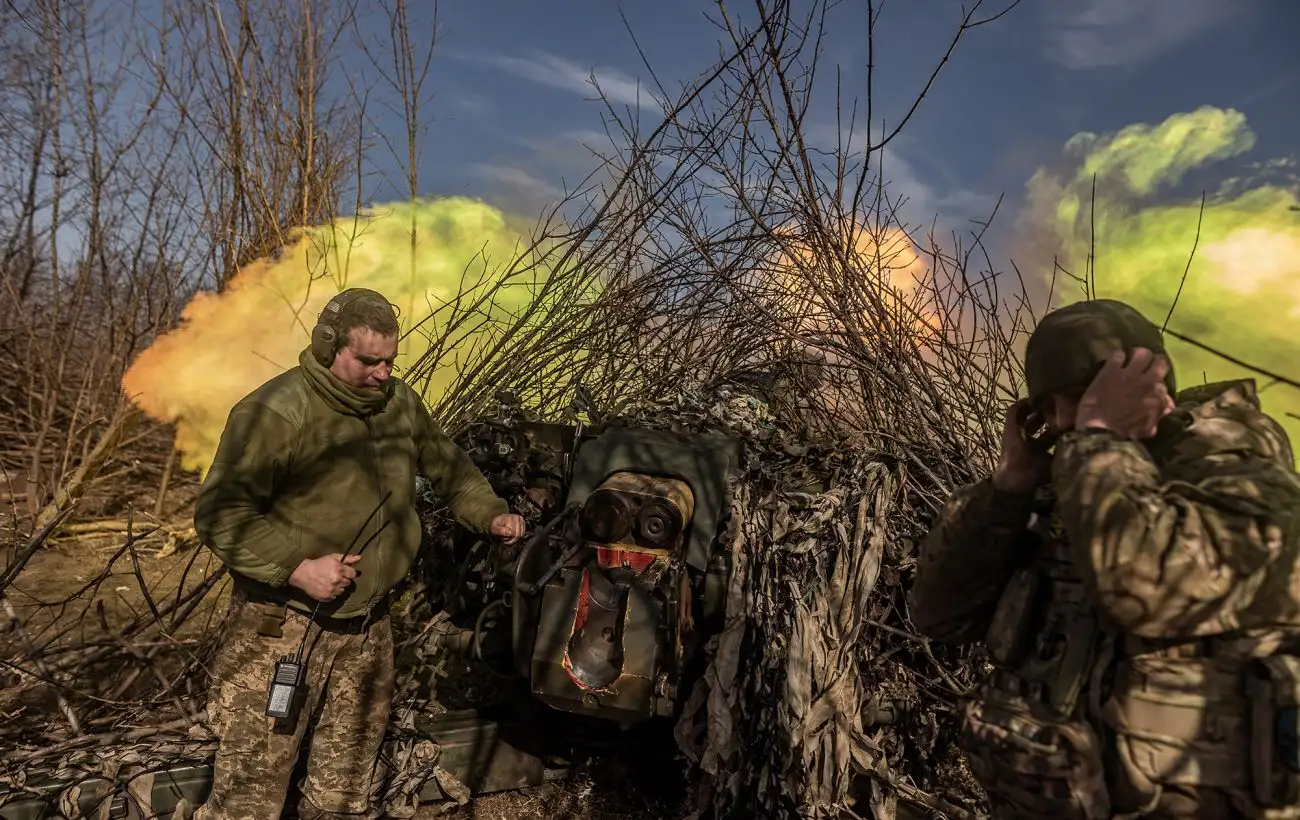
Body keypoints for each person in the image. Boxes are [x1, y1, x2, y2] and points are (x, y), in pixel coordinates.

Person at [911, 298, 1300, 819]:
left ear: (1148, 382)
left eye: (1077, 398)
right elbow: (939, 615)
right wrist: (1009, 487)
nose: (1058, 422)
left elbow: (1141, 587)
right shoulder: (1076, 483)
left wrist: (1098, 437)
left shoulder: (1242, 481)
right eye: (1045, 407)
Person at [191, 287, 526, 820]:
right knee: (249, 797)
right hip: (283, 626)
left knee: (343, 795)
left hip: (368, 628)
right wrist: (297, 569)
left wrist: (491, 513)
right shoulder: (276, 412)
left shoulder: (400, 406)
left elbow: (453, 472)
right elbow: (220, 513)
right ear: (328, 348)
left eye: (390, 360)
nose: (383, 373)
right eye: (369, 361)